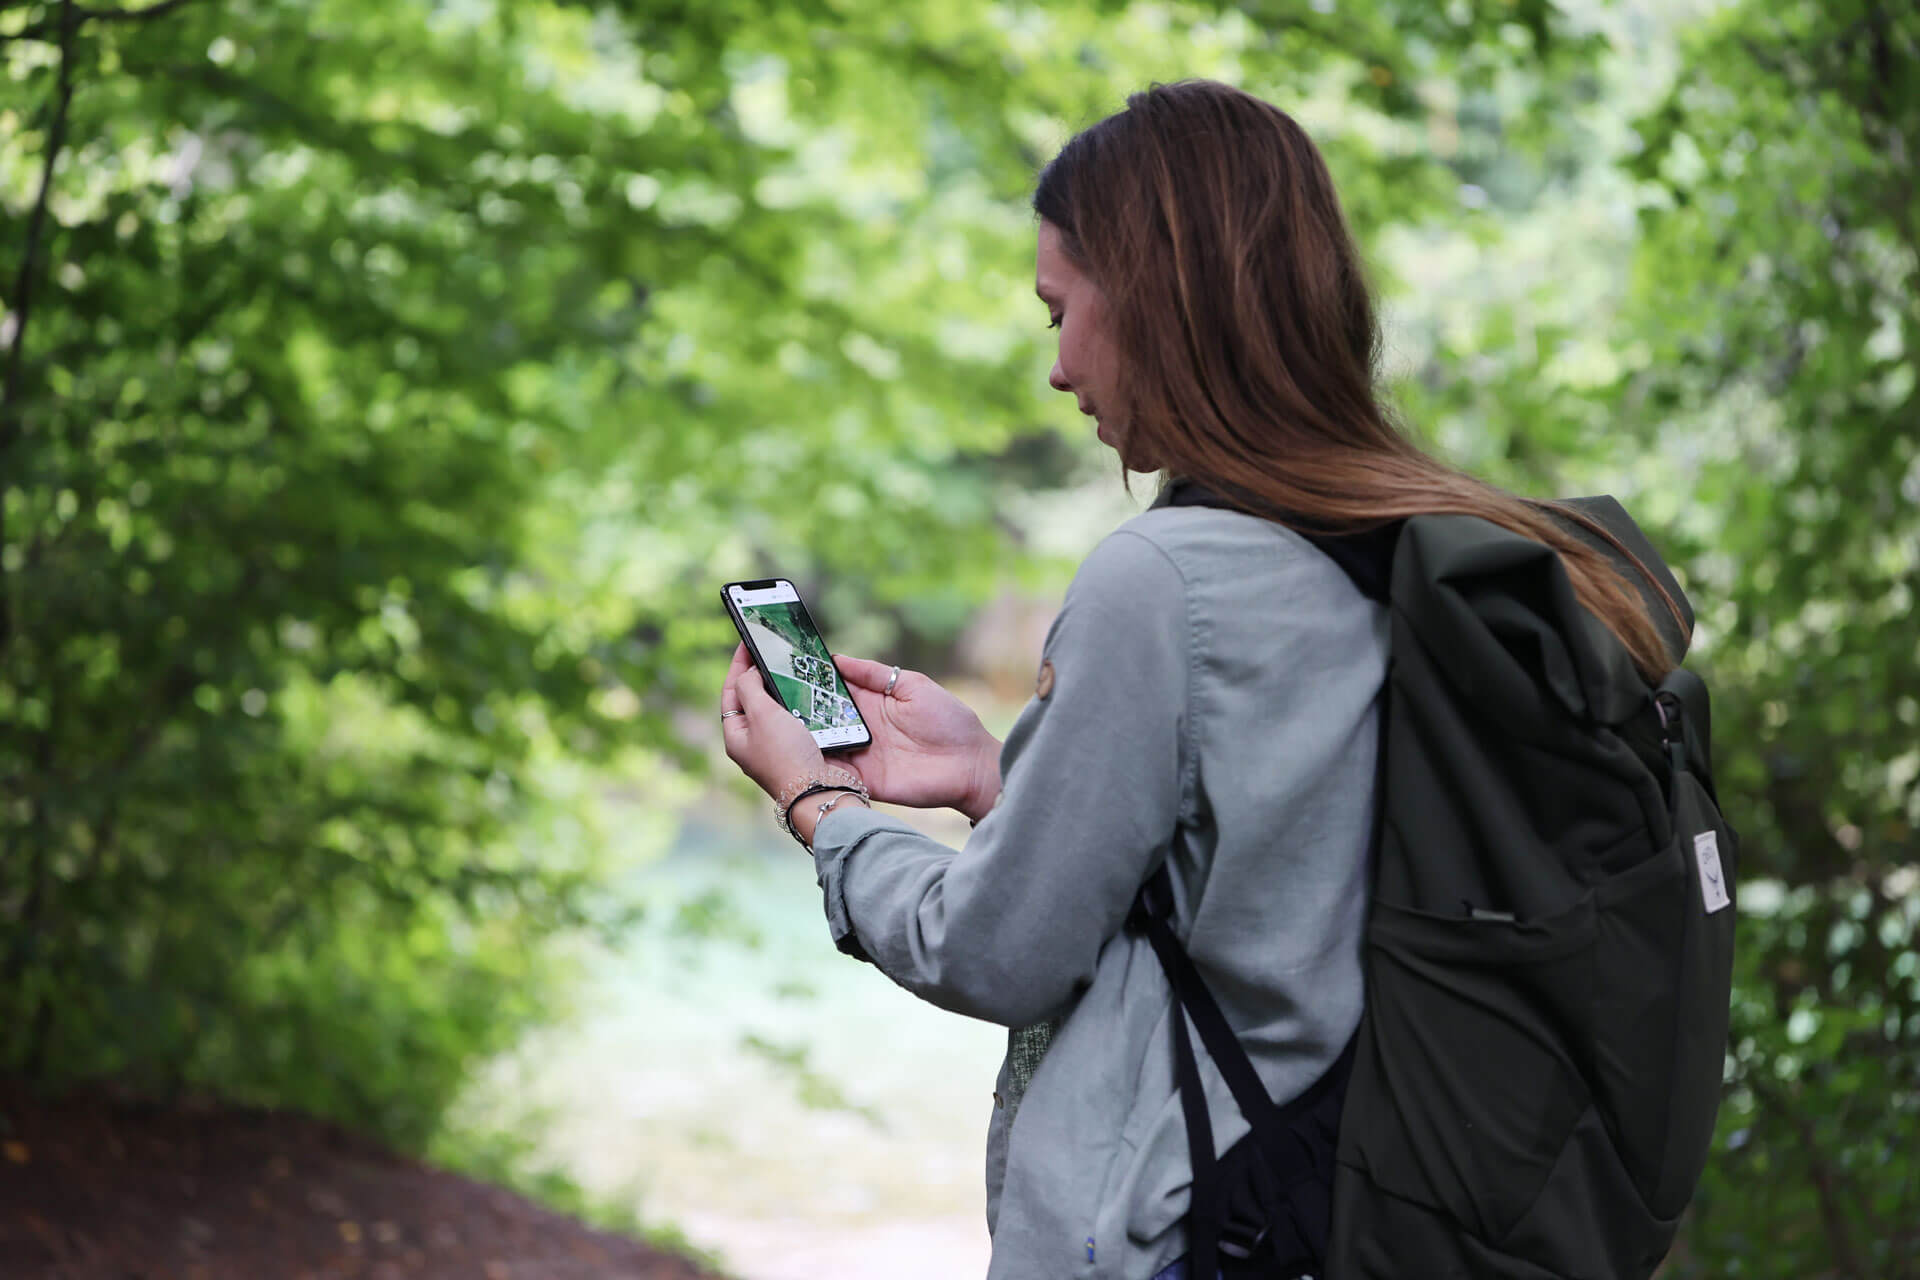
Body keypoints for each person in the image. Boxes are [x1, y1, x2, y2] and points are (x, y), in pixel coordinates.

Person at [719, 79, 1681, 1280]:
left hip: (1198, 1234)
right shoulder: (1399, 543)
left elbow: (1000, 950)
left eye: (1062, 310)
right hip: (1358, 1210)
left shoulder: (1166, 578)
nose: (1060, 367)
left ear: (1159, 299)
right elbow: (1252, 902)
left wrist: (824, 812)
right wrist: (987, 775)